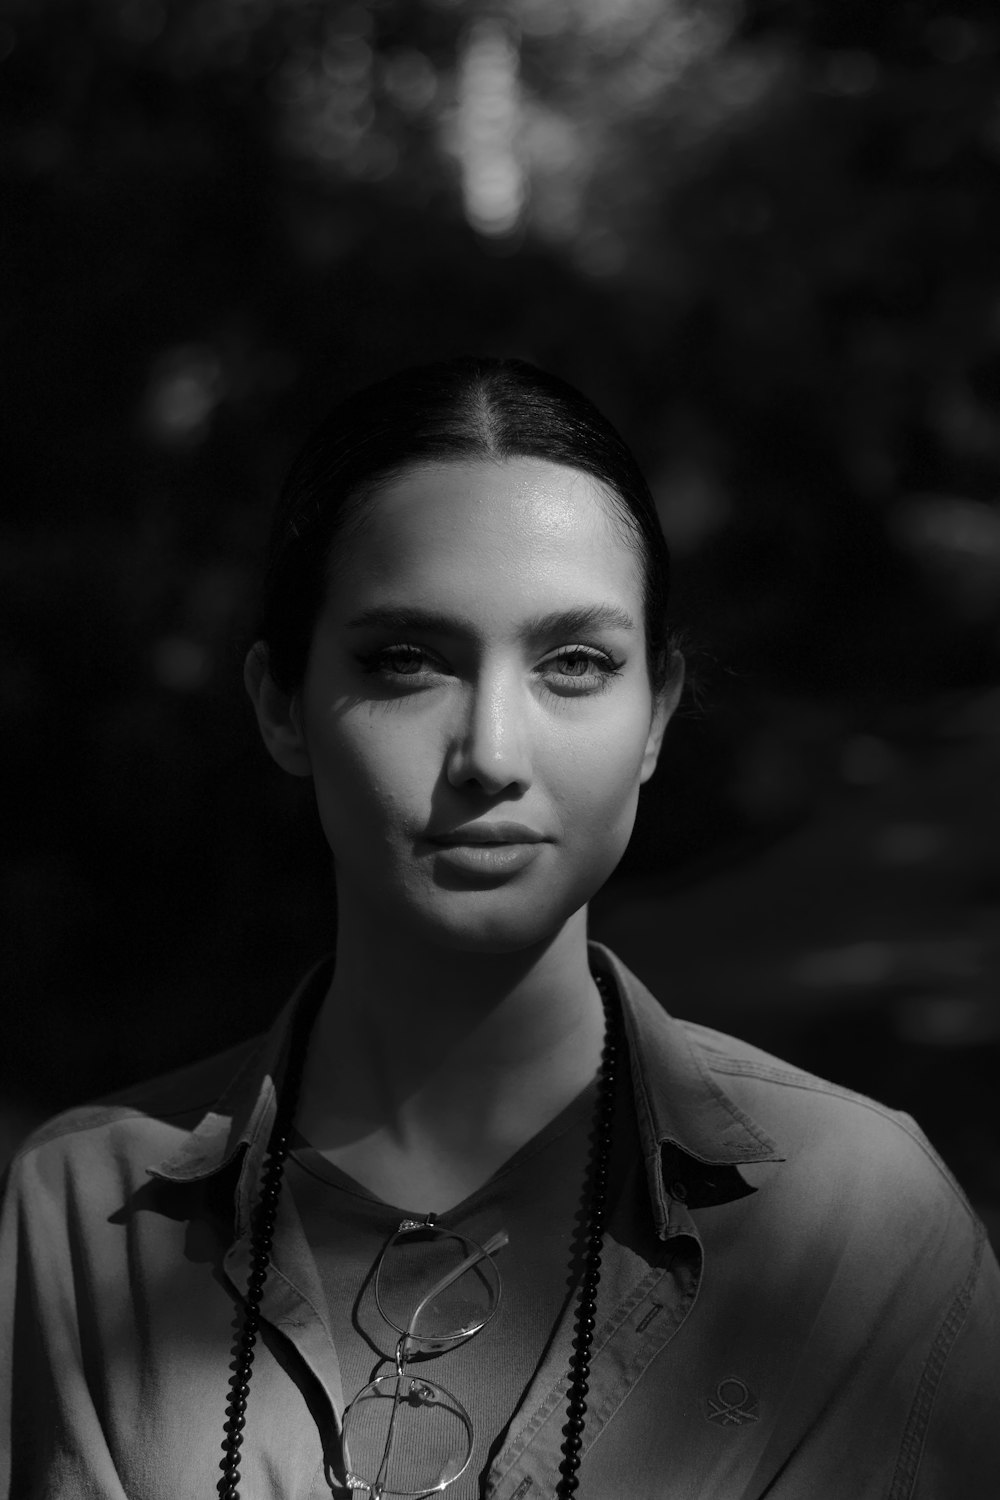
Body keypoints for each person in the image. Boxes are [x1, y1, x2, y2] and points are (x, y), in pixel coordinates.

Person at [1, 357, 998, 1500]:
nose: (491, 754)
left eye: (574, 663)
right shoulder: (80, 1218)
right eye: (407, 661)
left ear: (656, 713)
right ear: (280, 703)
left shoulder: (865, 1232)